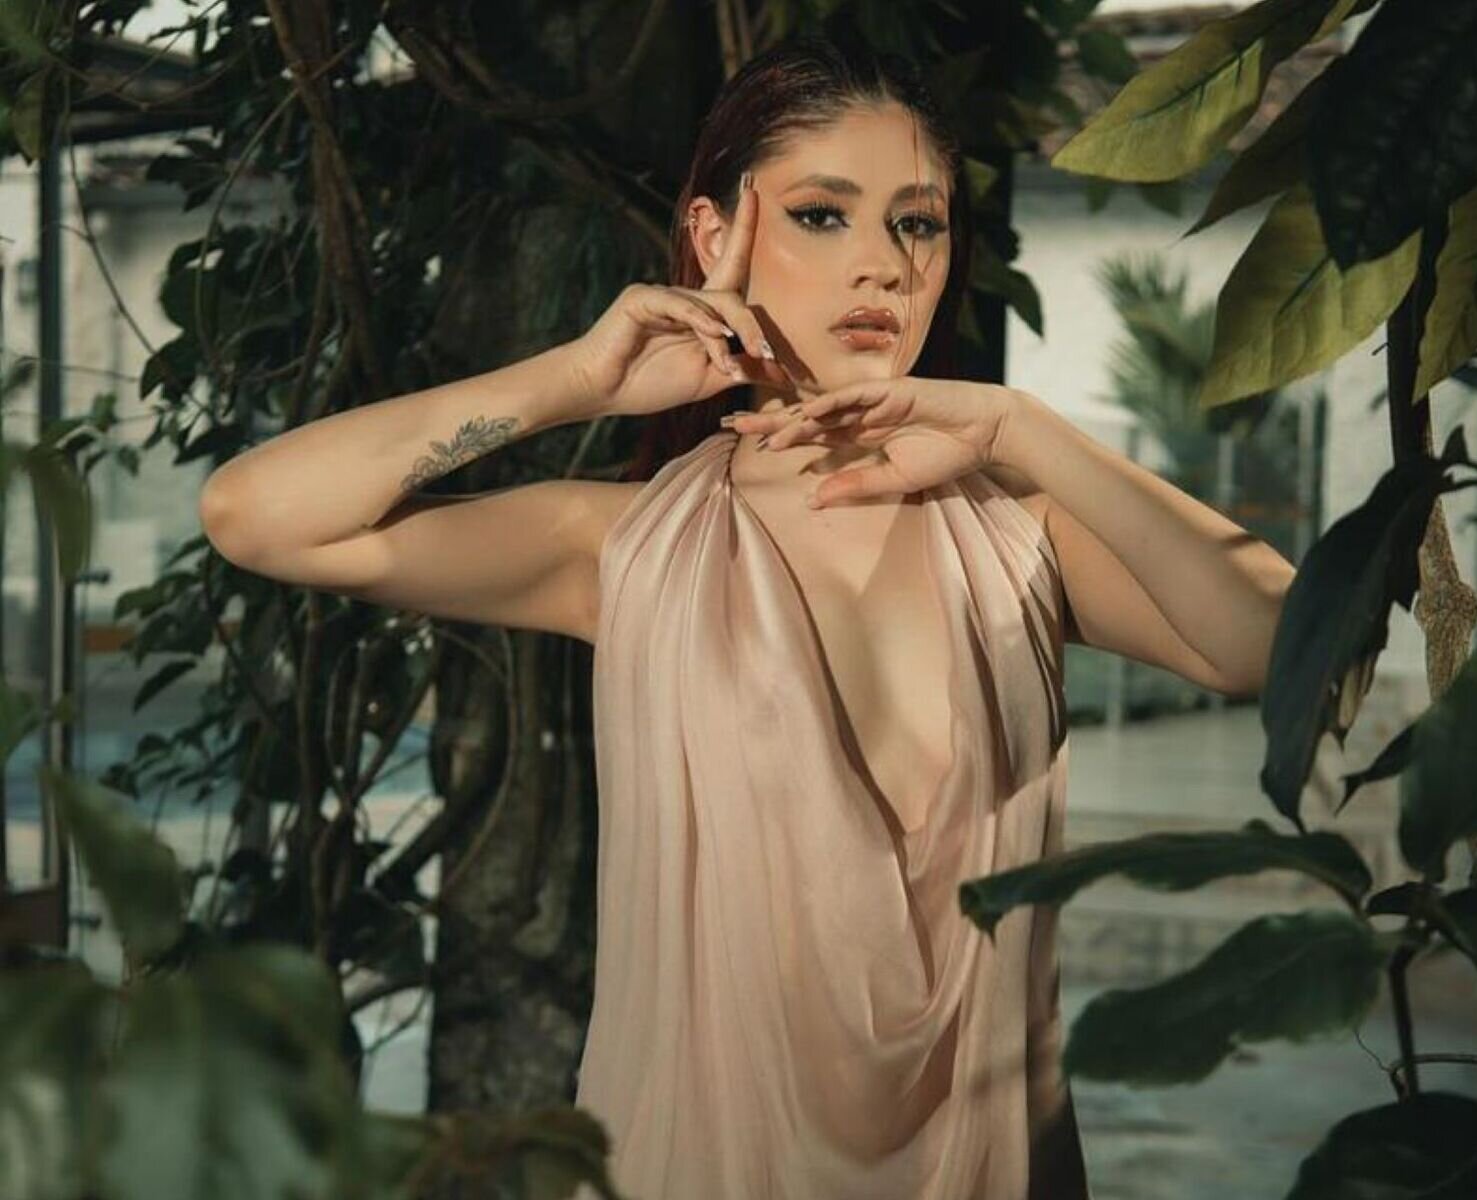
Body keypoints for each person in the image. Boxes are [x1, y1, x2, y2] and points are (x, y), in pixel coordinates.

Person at [199, 32, 1296, 1200]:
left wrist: (1025, 431)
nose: (881, 266)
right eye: (823, 215)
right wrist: (574, 381)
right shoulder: (623, 547)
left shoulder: (1021, 535)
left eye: (917, 224)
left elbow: (1279, 645)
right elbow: (255, 516)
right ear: (714, 236)